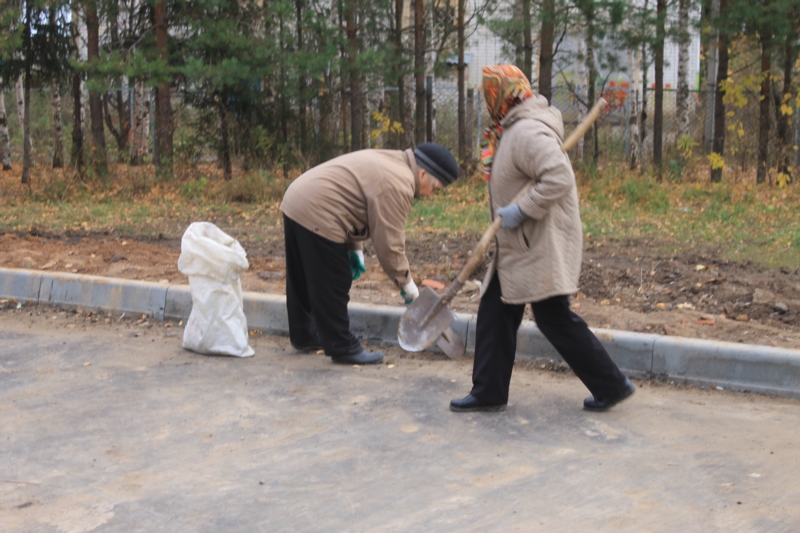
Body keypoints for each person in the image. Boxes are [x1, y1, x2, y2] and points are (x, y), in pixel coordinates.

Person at [450, 65, 634, 412]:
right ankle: (489, 390)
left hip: (537, 242)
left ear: (500, 96)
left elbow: (558, 178)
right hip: (521, 244)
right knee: (496, 310)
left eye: (488, 93)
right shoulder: (514, 129)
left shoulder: (527, 131)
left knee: (553, 317)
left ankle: (611, 383)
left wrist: (522, 210)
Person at [280, 143, 459, 365]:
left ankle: (304, 335)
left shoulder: (393, 160)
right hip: (320, 210)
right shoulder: (399, 184)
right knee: (335, 280)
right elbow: (389, 244)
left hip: (297, 199)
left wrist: (354, 248)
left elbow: (355, 200)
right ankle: (342, 346)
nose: (431, 195)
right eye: (436, 188)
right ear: (422, 173)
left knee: (302, 277)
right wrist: (407, 285)